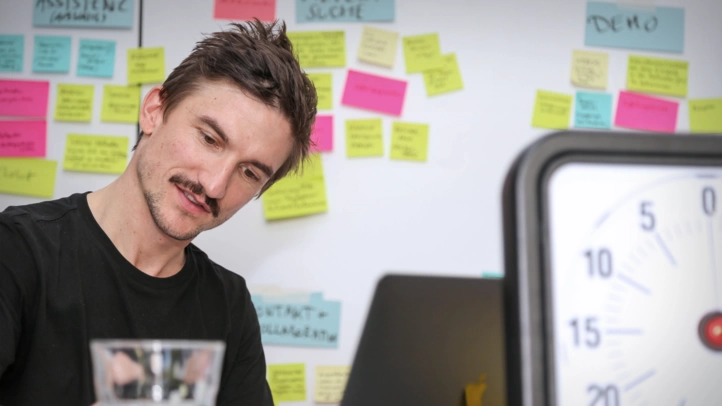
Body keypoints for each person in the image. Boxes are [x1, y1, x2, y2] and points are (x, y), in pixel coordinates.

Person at [0, 19, 317, 406]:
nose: (215, 185)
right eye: (209, 138)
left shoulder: (228, 305)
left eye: (249, 173)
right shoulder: (16, 253)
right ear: (154, 111)